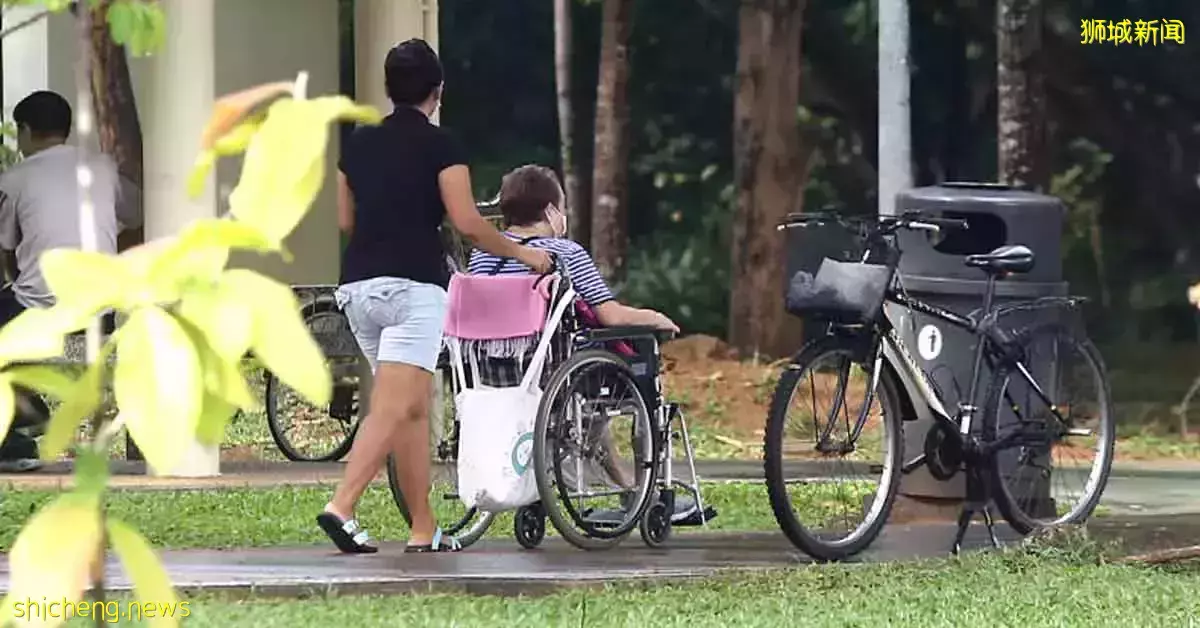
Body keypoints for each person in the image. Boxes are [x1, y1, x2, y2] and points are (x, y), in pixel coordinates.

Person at [317, 39, 552, 554]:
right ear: (437, 91)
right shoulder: (443, 145)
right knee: (392, 407)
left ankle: (424, 527)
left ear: (388, 88)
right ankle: (342, 505)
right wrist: (526, 255)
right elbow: (467, 223)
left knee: (412, 408)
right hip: (414, 289)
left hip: (358, 288)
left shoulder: (357, 144)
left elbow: (346, 220)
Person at [468, 165, 704, 523]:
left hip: (491, 370)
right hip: (551, 372)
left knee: (589, 392)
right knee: (627, 374)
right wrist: (655, 317)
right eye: (562, 207)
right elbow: (610, 315)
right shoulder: (564, 253)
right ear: (551, 211)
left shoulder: (483, 256)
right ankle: (643, 492)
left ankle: (624, 487)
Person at [0, 90, 141, 472]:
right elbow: (138, 214)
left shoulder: (14, 180)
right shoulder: (103, 169)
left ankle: (17, 434)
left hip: (42, 309)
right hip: (101, 311)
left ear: (24, 130)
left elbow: (6, 250)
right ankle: (29, 411)